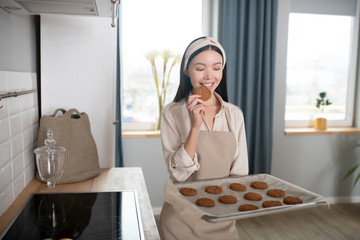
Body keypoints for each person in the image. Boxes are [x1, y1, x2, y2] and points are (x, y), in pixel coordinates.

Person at [158, 36, 249, 240]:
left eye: (216, 68)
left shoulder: (234, 114)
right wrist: (194, 127)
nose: (209, 76)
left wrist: (226, 208)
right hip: (181, 222)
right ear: (186, 70)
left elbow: (240, 173)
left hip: (222, 219)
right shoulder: (171, 113)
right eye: (200, 68)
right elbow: (179, 174)